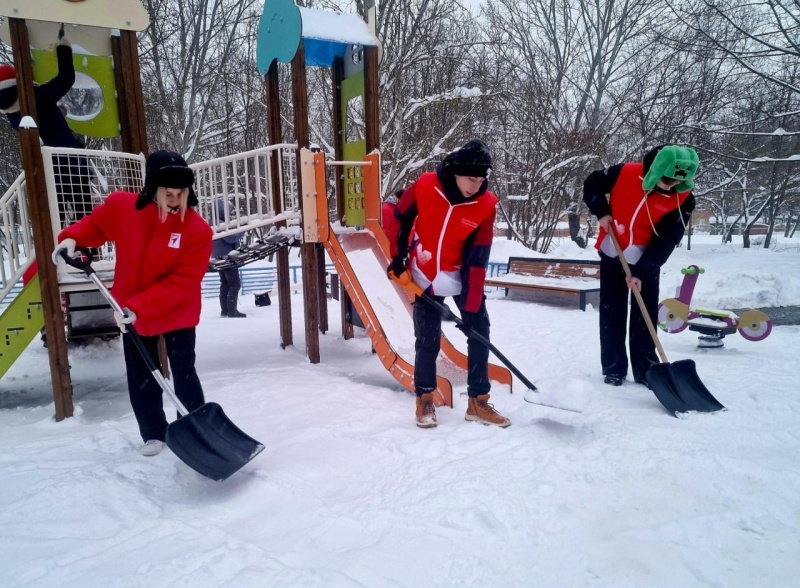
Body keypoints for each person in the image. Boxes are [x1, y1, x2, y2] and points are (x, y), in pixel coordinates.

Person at [51, 150, 213, 456]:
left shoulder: (196, 230)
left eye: (181, 193)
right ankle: (154, 433)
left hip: (176, 310)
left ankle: (194, 429)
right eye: (169, 193)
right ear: (153, 188)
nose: (176, 199)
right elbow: (95, 227)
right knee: (142, 375)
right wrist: (72, 237)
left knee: (184, 371)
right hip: (131, 314)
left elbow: (183, 282)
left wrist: (139, 305)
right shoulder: (123, 208)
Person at [387, 140, 511, 429]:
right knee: (427, 341)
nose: (476, 186)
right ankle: (425, 399)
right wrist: (398, 257)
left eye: (481, 180)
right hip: (424, 275)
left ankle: (478, 402)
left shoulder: (486, 206)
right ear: (456, 173)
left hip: (462, 278)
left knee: (479, 333)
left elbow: (477, 259)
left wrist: (469, 309)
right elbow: (400, 217)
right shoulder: (426, 186)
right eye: (471, 179)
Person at [583, 145, 698, 387]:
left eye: (677, 181)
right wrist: (601, 212)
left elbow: (668, 239)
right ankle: (613, 368)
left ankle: (646, 368)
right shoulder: (624, 173)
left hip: (647, 260)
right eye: (667, 179)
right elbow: (592, 183)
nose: (670, 186)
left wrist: (643, 271)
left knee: (644, 318)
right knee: (611, 314)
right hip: (613, 251)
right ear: (656, 170)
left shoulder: (684, 199)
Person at [0, 33, 92, 227]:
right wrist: (63, 48)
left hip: (46, 170)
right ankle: (84, 250)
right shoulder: (36, 98)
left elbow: (43, 124)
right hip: (70, 162)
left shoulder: (13, 115)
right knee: (83, 214)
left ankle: (57, 250)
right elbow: (66, 78)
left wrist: (56, 111)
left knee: (53, 219)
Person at [211, 199, 246, 318]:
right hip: (228, 257)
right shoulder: (220, 224)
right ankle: (232, 311)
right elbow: (231, 238)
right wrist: (242, 230)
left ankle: (225, 311)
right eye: (228, 212)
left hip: (218, 258)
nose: (229, 215)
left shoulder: (212, 222)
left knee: (225, 284)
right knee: (234, 284)